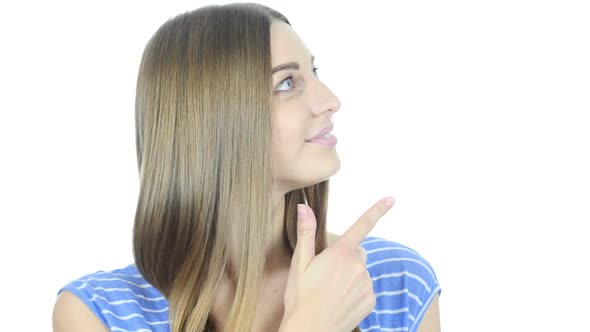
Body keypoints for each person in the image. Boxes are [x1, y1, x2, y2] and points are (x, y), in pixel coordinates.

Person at [52, 3, 441, 332]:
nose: (330, 101)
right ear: (213, 118)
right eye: (287, 83)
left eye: (314, 72)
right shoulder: (100, 314)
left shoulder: (393, 282)